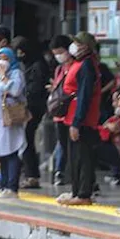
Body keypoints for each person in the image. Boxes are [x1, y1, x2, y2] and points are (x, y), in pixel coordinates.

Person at [58, 33, 100, 206]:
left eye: (77, 43)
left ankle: (84, 193)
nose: (73, 46)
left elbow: (84, 97)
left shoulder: (87, 66)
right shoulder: (79, 63)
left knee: (83, 156)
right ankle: (77, 191)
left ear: (86, 46)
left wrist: (77, 122)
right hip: (73, 117)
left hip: (82, 119)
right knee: (75, 156)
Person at [0, 46, 27, 199]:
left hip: (9, 120)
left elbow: (15, 91)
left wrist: (5, 77)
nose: (2, 62)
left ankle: (12, 188)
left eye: (6, 59)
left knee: (11, 152)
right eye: (0, 58)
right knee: (1, 154)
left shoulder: (16, 74)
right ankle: (3, 185)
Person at [15, 36, 48, 189]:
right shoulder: (28, 64)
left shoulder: (37, 65)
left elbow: (35, 88)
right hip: (29, 106)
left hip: (33, 107)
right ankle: (29, 173)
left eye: (21, 51)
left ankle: (32, 175)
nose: (20, 55)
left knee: (27, 139)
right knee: (25, 140)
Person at [47, 35, 74, 187]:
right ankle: (61, 172)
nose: (58, 56)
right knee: (63, 145)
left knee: (72, 147)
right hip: (59, 114)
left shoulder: (76, 66)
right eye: (55, 53)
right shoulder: (59, 69)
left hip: (71, 113)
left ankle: (67, 174)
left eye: (61, 52)